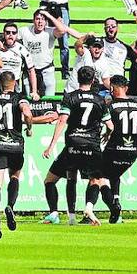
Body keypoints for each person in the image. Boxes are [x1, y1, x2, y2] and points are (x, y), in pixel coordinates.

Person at [0, 70, 54, 239]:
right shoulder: (19, 98)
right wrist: (30, 127)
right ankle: (10, 206)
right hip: (15, 146)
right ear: (15, 83)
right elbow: (27, 113)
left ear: (0, 83)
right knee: (14, 178)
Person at [42, 66, 112, 226]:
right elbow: (110, 125)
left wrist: (51, 146)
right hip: (92, 145)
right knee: (95, 179)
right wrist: (107, 136)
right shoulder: (100, 100)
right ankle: (88, 208)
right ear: (93, 80)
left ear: (78, 79)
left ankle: (64, 215)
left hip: (73, 143)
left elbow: (62, 120)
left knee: (53, 180)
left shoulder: (70, 97)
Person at [97, 75, 137, 224]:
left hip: (115, 147)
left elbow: (108, 126)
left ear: (112, 88)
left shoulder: (111, 106)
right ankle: (117, 201)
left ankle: (113, 206)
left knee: (99, 177)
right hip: (133, 150)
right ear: (126, 88)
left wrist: (106, 134)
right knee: (115, 173)